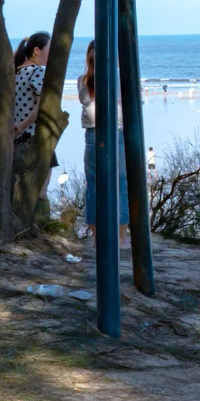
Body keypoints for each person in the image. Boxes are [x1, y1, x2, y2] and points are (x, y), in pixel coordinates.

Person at [79, 41, 130, 249]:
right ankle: (120, 237)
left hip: (92, 135)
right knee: (120, 185)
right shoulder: (119, 78)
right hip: (115, 133)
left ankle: (96, 237)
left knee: (93, 186)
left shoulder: (82, 80)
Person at [13, 32, 60, 202]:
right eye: (50, 49)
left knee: (20, 193)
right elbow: (41, 107)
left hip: (17, 141)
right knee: (38, 194)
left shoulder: (16, 72)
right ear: (37, 51)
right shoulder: (38, 71)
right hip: (35, 139)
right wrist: (23, 125)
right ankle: (37, 226)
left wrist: (18, 128)